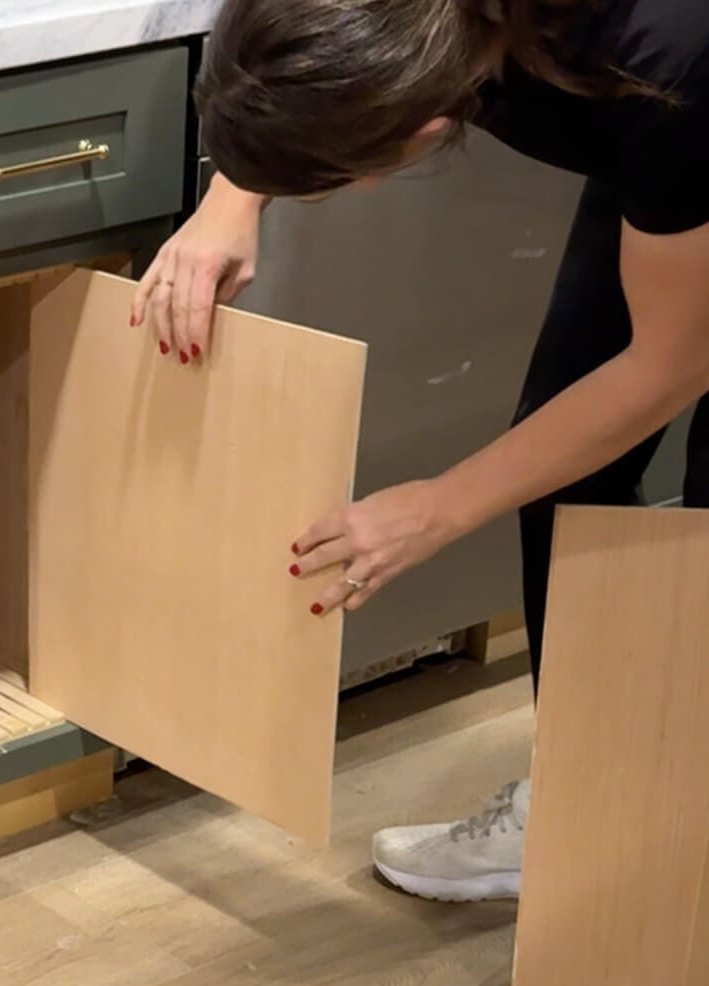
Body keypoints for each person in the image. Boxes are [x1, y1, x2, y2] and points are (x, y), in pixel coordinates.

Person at [130, 0, 709, 903]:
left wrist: (436, 508)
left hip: (687, 121)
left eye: (336, 181)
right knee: (568, 469)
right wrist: (233, 194)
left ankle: (673, 902)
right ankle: (586, 801)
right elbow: (294, 44)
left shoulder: (662, 54)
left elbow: (672, 365)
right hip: (669, 157)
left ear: (431, 123)